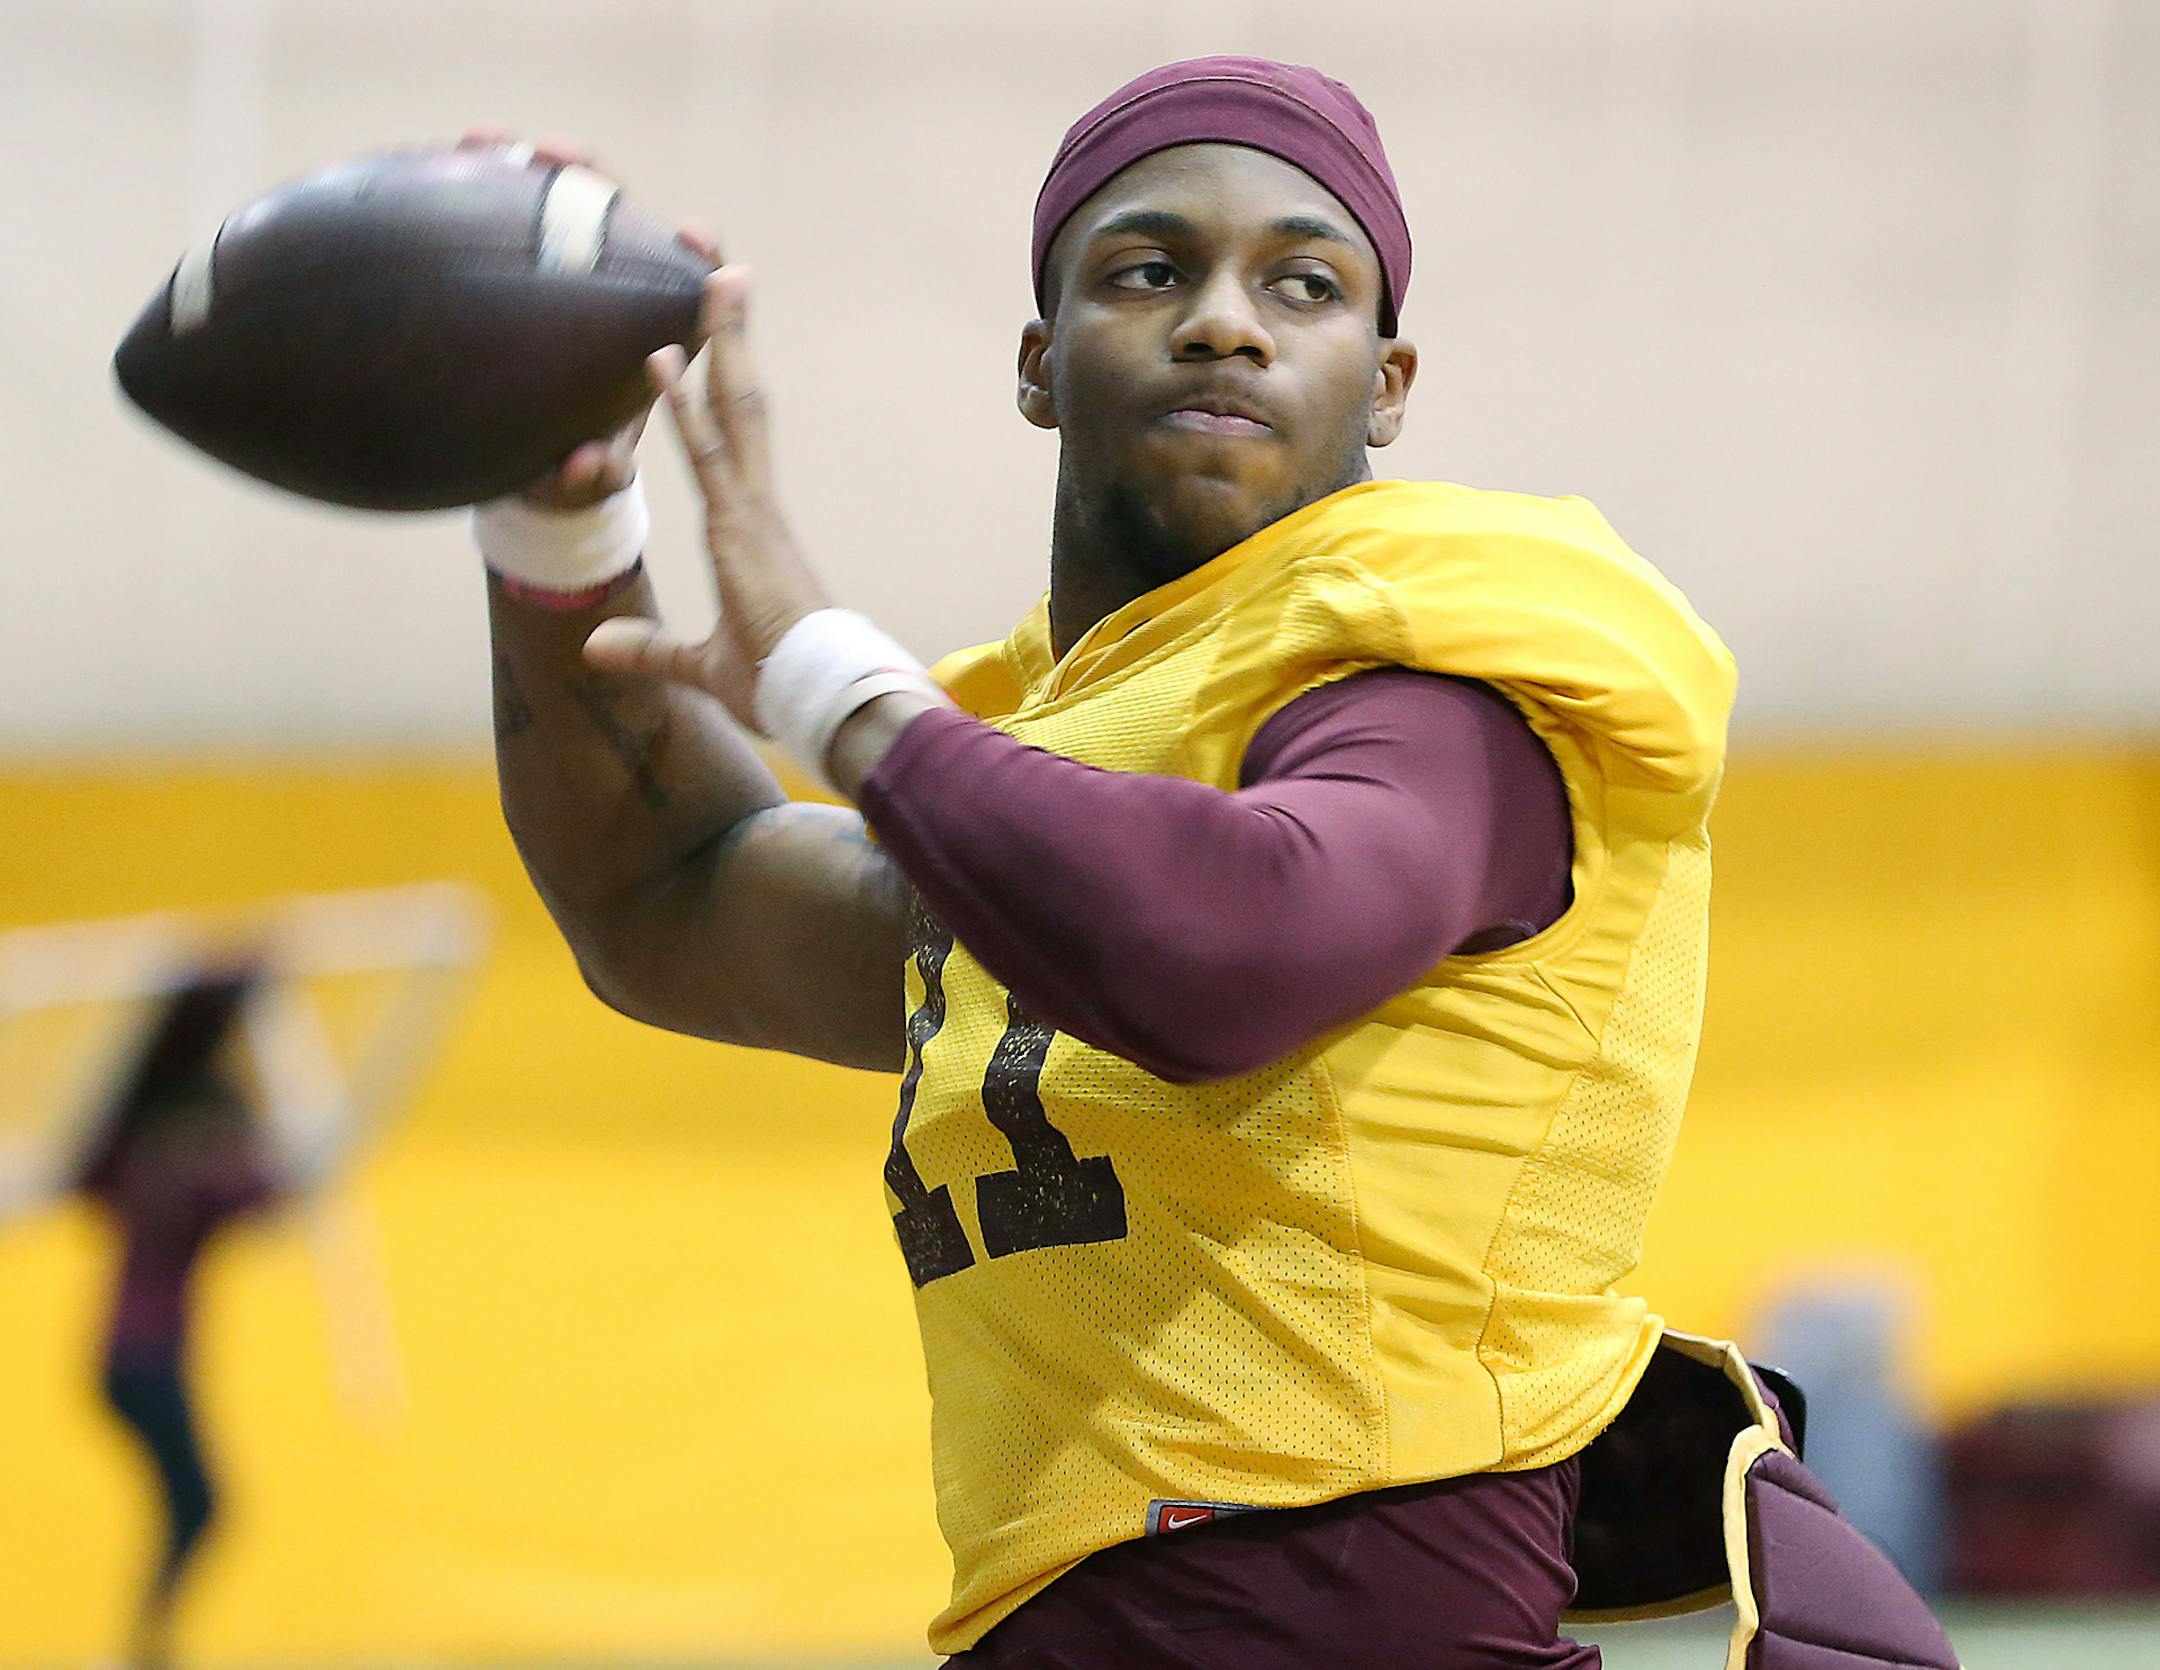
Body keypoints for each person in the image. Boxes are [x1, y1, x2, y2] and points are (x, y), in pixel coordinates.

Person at [472, 60, 1956, 1668]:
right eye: (1149, 269)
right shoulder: (1044, 772)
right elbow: (676, 896)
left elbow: (1228, 947)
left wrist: (834, 681)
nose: (1226, 320)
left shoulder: (1441, 685)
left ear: (1387, 385)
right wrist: (557, 508)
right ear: (1040, 365)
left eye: (1302, 283)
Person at [0, 886, 481, 1670]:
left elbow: (111, 1148)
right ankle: (145, 1647)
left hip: (124, 1363)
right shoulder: (192, 1179)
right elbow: (276, 1186)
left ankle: (148, 1643)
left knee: (197, 1504)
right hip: (143, 1362)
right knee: (202, 1503)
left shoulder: (139, 1165)